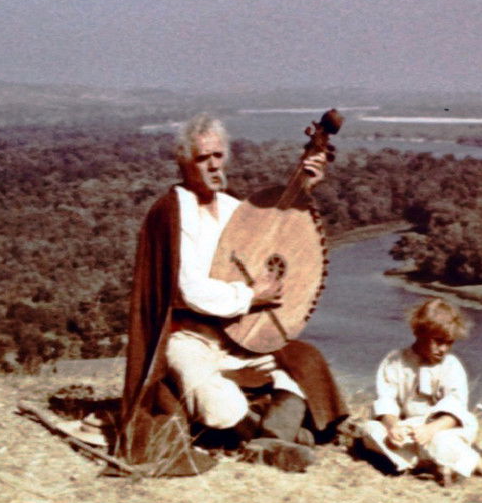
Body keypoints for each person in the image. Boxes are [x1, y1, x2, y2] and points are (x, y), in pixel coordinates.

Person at [114, 113, 348, 475]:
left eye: (218, 155)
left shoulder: (232, 209)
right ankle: (277, 437)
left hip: (240, 335)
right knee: (212, 399)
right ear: (184, 163)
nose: (212, 165)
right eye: (202, 158)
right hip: (189, 338)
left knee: (303, 366)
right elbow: (188, 290)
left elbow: (274, 233)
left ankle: (266, 441)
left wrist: (305, 186)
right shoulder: (172, 212)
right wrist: (249, 296)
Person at [359, 298, 482, 485]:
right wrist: (393, 427)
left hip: (444, 427)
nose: (443, 349)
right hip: (409, 428)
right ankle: (429, 463)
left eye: (449, 343)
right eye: (438, 342)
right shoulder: (395, 361)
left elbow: (455, 409)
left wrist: (430, 429)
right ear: (420, 333)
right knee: (371, 430)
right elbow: (386, 400)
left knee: (441, 441)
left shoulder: (451, 365)